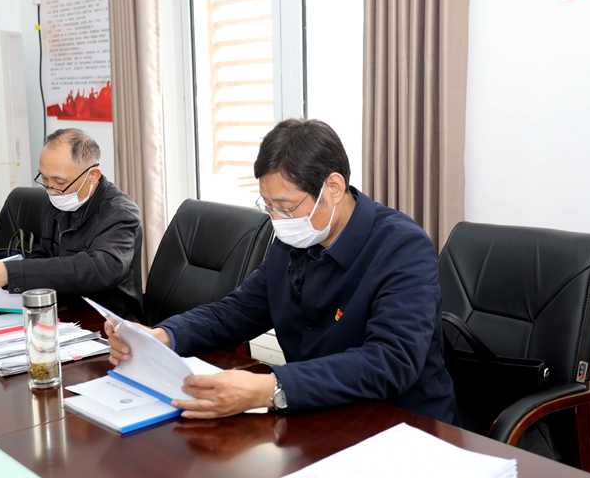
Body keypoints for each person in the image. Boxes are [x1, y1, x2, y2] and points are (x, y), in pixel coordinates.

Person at [106, 118, 459, 424]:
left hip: (401, 424)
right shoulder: (297, 238)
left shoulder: (402, 246)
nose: (277, 220)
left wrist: (272, 387)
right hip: (318, 415)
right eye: (269, 206)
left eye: (286, 207)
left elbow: (391, 360)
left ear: (333, 188)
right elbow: (239, 310)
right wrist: (164, 336)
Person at [0, 128, 144, 322]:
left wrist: (12, 273)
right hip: (61, 312)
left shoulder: (120, 213)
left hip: (107, 322)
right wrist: (6, 272)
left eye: (59, 182)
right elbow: (45, 254)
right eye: (44, 179)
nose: (51, 190)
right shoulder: (57, 199)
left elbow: (99, 270)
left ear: (93, 175)